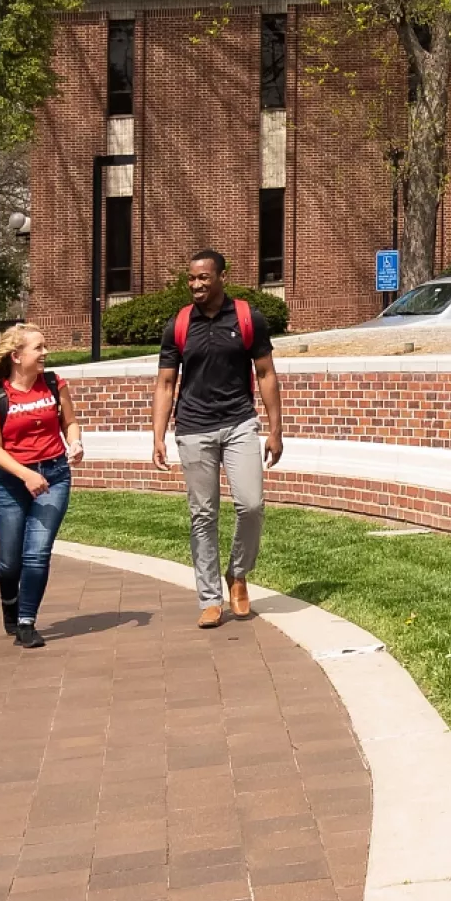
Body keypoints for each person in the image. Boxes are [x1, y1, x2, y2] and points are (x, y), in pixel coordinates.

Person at [151, 250, 284, 629]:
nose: (196, 285)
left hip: (240, 423)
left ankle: (238, 574)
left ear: (221, 277)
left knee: (251, 505)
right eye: (191, 279)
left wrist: (275, 430)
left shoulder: (247, 317)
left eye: (203, 278)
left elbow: (266, 373)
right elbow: (164, 383)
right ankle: (209, 598)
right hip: (193, 428)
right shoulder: (178, 324)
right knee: (203, 515)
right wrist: (157, 435)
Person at [0, 323, 82, 648]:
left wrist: (74, 443)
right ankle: (10, 605)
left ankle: (26, 621)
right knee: (10, 561)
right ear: (17, 356)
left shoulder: (53, 383)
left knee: (37, 553)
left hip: (54, 476)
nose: (45, 353)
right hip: (10, 483)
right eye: (39, 348)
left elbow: (70, 422)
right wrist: (26, 475)